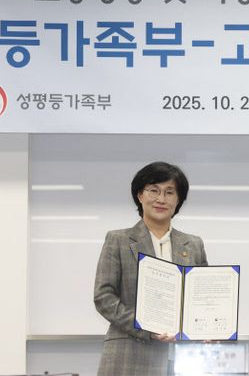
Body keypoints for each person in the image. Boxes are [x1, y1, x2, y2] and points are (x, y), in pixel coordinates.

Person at [94, 161, 208, 376]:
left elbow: (201, 300)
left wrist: (208, 325)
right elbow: (104, 297)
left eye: (169, 192)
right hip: (129, 356)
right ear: (140, 195)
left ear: (178, 199)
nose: (161, 199)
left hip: (185, 360)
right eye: (153, 190)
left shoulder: (194, 245)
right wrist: (146, 326)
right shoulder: (118, 240)